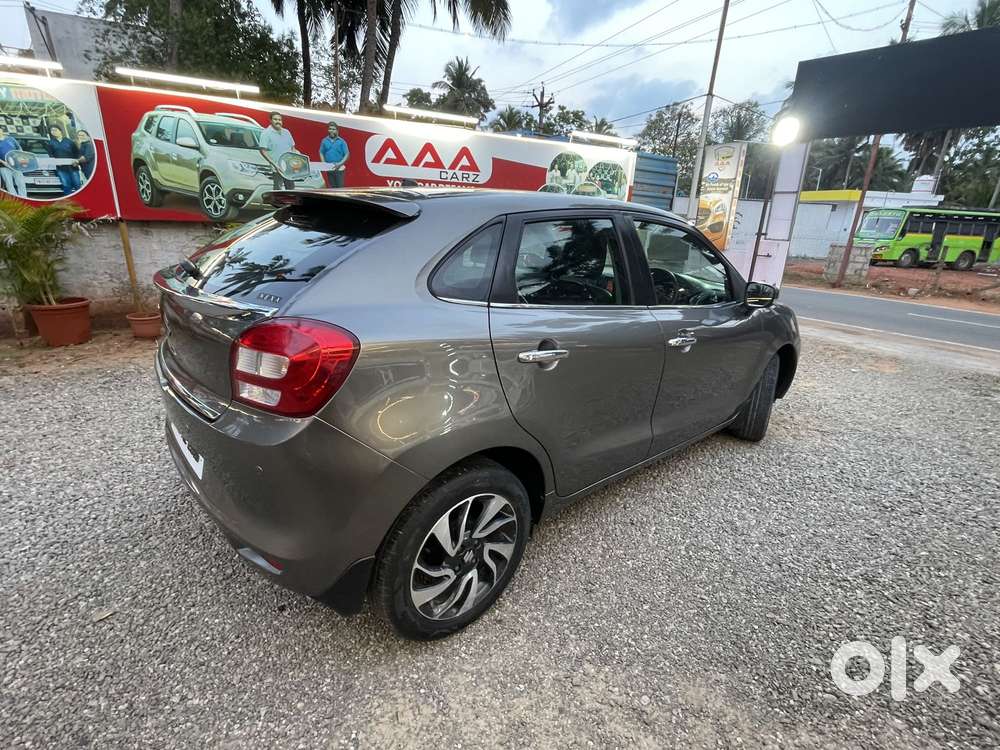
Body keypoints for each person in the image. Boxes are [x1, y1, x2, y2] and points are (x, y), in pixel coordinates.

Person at [258, 111, 296, 190]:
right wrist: (274, 164)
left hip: (288, 167)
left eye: (279, 120)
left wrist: (294, 160)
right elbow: (262, 151)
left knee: (291, 189)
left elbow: (293, 147)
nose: (278, 121)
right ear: (270, 120)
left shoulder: (286, 132)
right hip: (277, 167)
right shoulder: (266, 133)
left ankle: (290, 203)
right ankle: (276, 202)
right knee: (278, 190)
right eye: (275, 119)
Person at [45, 125, 82, 195]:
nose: (53, 132)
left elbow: (77, 153)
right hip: (61, 168)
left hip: (73, 167)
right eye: (52, 131)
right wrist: (55, 162)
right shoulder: (51, 143)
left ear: (60, 131)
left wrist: (77, 161)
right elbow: (51, 155)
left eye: (55, 130)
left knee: (77, 184)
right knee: (66, 185)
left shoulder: (69, 142)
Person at [318, 121, 349, 188]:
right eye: (330, 129)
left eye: (333, 129)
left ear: (337, 130)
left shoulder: (341, 141)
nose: (331, 131)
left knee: (340, 187)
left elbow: (347, 154)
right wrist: (323, 163)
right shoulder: (324, 141)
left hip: (339, 169)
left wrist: (340, 164)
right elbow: (321, 152)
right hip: (329, 168)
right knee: (332, 187)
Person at [0, 125, 27, 197]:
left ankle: (23, 198)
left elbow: (19, 149)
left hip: (16, 165)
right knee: (9, 184)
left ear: (2, 130)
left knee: (21, 183)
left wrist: (20, 158)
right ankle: (15, 199)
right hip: (3, 166)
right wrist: (3, 162)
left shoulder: (11, 139)